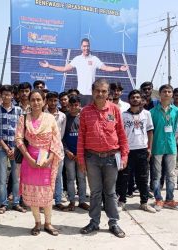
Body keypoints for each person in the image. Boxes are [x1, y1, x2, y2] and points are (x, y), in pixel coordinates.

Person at [77, 78, 129, 238]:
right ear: (92, 92)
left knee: (111, 192)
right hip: (91, 158)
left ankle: (113, 222)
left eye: (104, 91)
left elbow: (121, 133)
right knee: (95, 193)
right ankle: (94, 222)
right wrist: (81, 159)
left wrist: (125, 154)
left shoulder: (114, 110)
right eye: (97, 91)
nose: (100, 94)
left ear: (108, 93)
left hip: (111, 158)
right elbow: (81, 137)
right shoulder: (85, 111)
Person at [15, 90, 64, 236]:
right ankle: (37, 223)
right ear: (29, 101)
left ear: (44, 102)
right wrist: (29, 158)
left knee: (47, 194)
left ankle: (48, 223)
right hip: (29, 160)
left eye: (39, 100)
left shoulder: (50, 119)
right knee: (32, 194)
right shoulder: (23, 119)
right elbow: (18, 139)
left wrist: (49, 160)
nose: (36, 103)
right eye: (33, 100)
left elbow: (56, 140)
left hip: (47, 161)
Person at [39, 38, 128, 100]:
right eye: (84, 46)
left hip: (91, 94)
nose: (86, 48)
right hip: (80, 93)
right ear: (81, 47)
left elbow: (105, 68)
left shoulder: (94, 59)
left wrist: (119, 68)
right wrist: (49, 66)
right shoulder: (77, 59)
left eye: (87, 46)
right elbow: (64, 69)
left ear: (90, 46)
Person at [119, 90, 156, 213]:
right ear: (129, 100)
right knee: (124, 177)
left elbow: (150, 131)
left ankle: (144, 203)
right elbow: (120, 134)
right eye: (133, 97)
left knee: (143, 177)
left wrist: (149, 148)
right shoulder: (123, 115)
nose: (135, 99)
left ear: (141, 100)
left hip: (142, 149)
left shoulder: (147, 114)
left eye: (137, 97)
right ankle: (122, 201)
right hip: (127, 150)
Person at [150, 84, 178, 211]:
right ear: (159, 94)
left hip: (171, 146)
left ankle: (169, 199)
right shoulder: (152, 112)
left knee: (171, 174)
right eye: (164, 91)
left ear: (172, 94)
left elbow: (174, 128)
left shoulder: (176, 111)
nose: (167, 94)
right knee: (156, 175)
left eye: (169, 92)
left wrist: (171, 140)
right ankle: (158, 199)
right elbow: (151, 131)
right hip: (157, 146)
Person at [0, 85, 26, 214]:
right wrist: (6, 147)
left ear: (13, 95)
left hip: (16, 148)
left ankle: (16, 202)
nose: (6, 96)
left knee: (17, 177)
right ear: (1, 96)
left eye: (9, 94)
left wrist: (14, 147)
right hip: (2, 148)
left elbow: (21, 130)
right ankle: (3, 203)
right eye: (4, 94)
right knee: (2, 177)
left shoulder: (18, 110)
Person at [63, 95, 89, 211]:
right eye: (71, 105)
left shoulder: (83, 117)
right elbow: (61, 137)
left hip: (81, 154)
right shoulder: (65, 118)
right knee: (70, 178)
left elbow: (87, 137)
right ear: (68, 106)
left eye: (76, 105)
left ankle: (82, 201)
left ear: (79, 105)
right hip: (69, 155)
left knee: (82, 177)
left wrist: (81, 153)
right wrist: (67, 151)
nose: (73, 107)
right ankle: (72, 201)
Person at [45, 92, 67, 210]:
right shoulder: (43, 114)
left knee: (58, 176)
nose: (53, 103)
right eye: (51, 100)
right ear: (47, 101)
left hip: (58, 149)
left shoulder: (62, 116)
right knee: (46, 176)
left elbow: (61, 134)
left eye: (55, 101)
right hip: (45, 150)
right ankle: (46, 201)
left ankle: (58, 200)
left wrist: (56, 143)